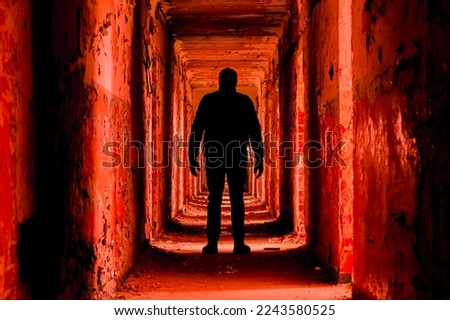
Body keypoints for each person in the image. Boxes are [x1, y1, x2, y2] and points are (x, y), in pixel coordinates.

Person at [188, 68, 264, 254]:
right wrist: (259, 157)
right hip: (237, 153)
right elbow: (254, 131)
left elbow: (197, 130)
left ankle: (212, 244)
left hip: (214, 153)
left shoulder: (209, 100)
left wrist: (193, 155)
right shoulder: (244, 101)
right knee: (236, 199)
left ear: (219, 81)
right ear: (235, 82)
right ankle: (239, 243)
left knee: (215, 198)